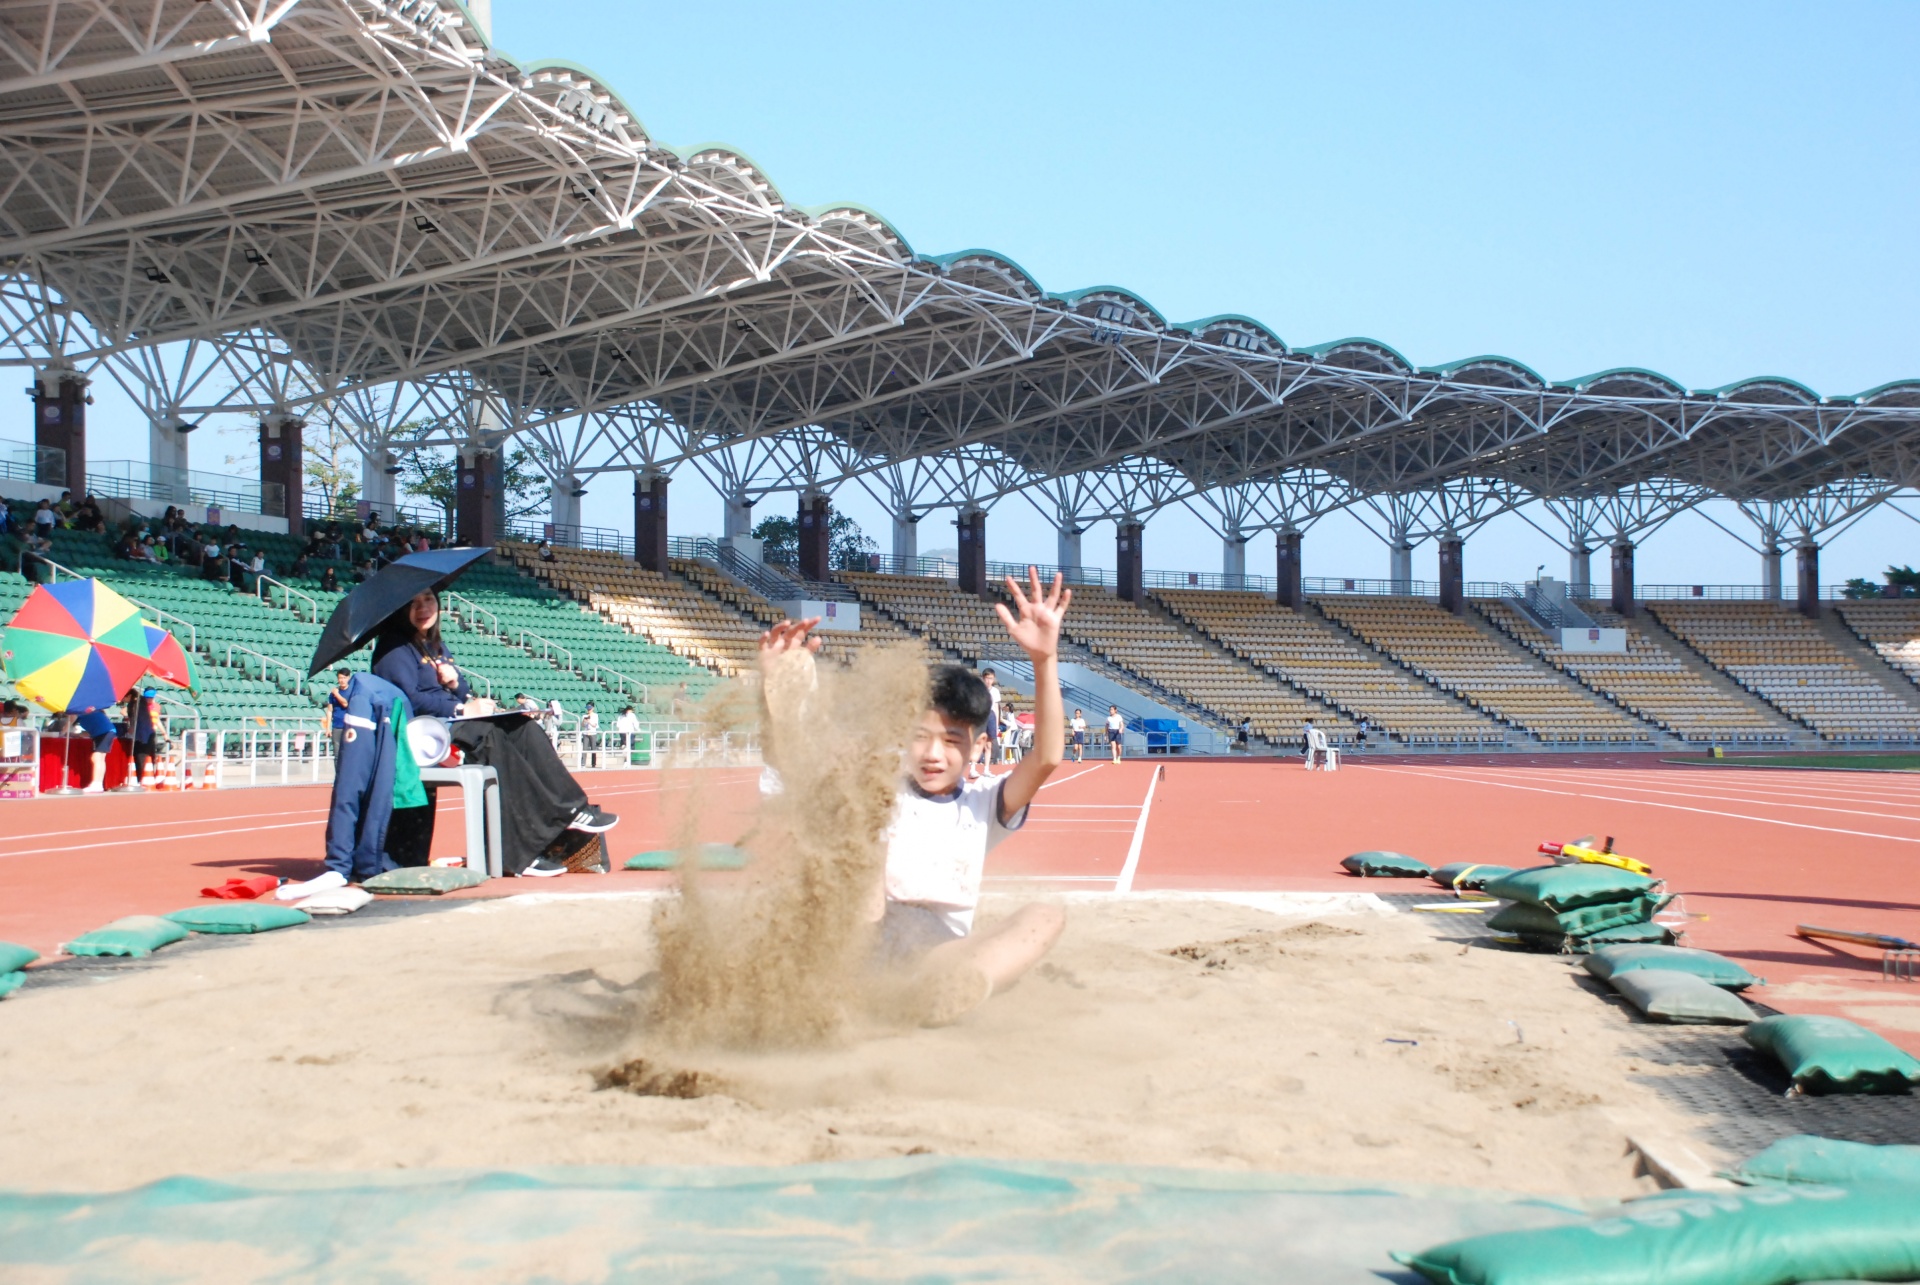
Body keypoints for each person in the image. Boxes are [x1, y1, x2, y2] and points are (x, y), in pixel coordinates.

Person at [756, 568, 1071, 1026]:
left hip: (936, 953)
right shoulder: (875, 787)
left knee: (1046, 915)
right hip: (864, 935)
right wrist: (777, 695)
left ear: (978, 747)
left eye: (951, 741)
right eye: (920, 737)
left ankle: (953, 992)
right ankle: (831, 989)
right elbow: (795, 762)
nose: (932, 754)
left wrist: (1044, 660)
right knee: (860, 819)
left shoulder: (984, 805)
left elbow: (1046, 757)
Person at [372, 591, 617, 877]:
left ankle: (573, 809)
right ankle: (517, 855)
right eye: (413, 602)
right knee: (491, 737)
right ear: (401, 609)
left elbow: (460, 691)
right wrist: (461, 708)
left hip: (452, 726)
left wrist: (454, 683)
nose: (423, 607)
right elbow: (407, 699)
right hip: (425, 737)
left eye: (428, 599)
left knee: (523, 727)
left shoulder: (434, 645)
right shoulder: (393, 648)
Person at [129, 688, 166, 787]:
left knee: (151, 756)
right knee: (142, 756)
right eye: (147, 697)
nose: (149, 699)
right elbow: (126, 712)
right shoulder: (140, 705)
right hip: (142, 733)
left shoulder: (156, 707)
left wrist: (164, 733)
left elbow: (157, 720)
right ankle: (141, 777)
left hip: (151, 732)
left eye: (151, 697)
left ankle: (150, 776)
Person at [970, 668, 1000, 780]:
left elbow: (996, 708)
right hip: (981, 715)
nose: (988, 681)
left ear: (994, 679)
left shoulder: (995, 691)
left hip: (991, 715)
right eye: (987, 678)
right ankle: (973, 768)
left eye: (990, 678)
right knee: (978, 742)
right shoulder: (979, 690)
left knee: (989, 744)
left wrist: (996, 724)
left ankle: (986, 769)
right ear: (983, 678)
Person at [327, 669, 352, 757]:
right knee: (337, 753)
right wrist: (328, 728)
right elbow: (329, 711)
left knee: (348, 752)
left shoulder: (351, 691)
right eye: (340, 678)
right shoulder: (332, 694)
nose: (342, 680)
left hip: (348, 726)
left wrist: (337, 694)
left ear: (348, 678)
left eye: (344, 678)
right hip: (336, 726)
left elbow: (345, 704)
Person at [579, 701, 600, 769]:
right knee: (584, 748)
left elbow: (595, 725)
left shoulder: (595, 715)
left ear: (593, 708)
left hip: (593, 733)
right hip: (586, 733)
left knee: (593, 748)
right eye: (588, 708)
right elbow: (582, 725)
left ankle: (593, 763)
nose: (589, 710)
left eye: (590, 708)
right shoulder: (584, 716)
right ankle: (583, 763)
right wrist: (584, 721)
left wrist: (589, 722)